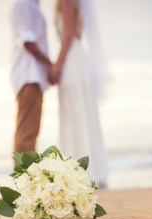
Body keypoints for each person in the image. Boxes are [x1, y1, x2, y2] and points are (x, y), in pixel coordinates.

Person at [50, 0, 108, 187]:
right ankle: (91, 172)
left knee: (74, 113)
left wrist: (57, 65)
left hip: (71, 60)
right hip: (78, 57)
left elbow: (69, 34)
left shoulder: (66, 1)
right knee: (82, 113)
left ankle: (79, 174)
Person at [11, 0, 52, 153]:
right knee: (27, 133)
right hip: (28, 74)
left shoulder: (32, 5)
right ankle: (23, 176)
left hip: (33, 75)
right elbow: (27, 41)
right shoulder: (24, 4)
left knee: (31, 132)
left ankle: (25, 175)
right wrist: (51, 65)